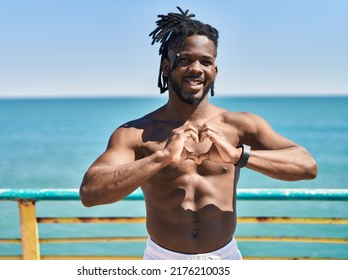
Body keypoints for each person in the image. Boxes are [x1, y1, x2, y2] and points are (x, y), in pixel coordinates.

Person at [79, 7, 318, 260]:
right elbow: (90, 192)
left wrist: (238, 156)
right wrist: (161, 158)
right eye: (185, 60)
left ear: (215, 70)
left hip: (225, 259)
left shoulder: (241, 126)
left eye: (206, 61)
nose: (196, 68)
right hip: (161, 260)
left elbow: (306, 165)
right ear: (166, 66)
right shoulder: (137, 133)